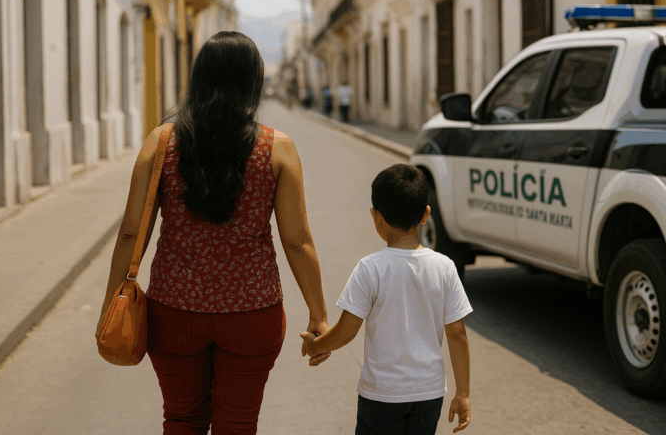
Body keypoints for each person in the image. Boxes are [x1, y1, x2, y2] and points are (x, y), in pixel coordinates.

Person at [95, 31, 330, 434]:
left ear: (199, 79)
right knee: (238, 425)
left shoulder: (163, 141)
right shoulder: (277, 148)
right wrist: (319, 313)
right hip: (253, 312)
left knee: (182, 419)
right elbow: (297, 240)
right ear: (253, 82)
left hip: (174, 311)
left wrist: (110, 303)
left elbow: (132, 232)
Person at [300, 164, 473, 435]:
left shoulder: (370, 268)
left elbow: (346, 332)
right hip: (428, 394)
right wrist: (462, 393)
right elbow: (457, 333)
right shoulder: (445, 267)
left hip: (381, 395)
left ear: (376, 217)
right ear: (426, 214)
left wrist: (316, 346)